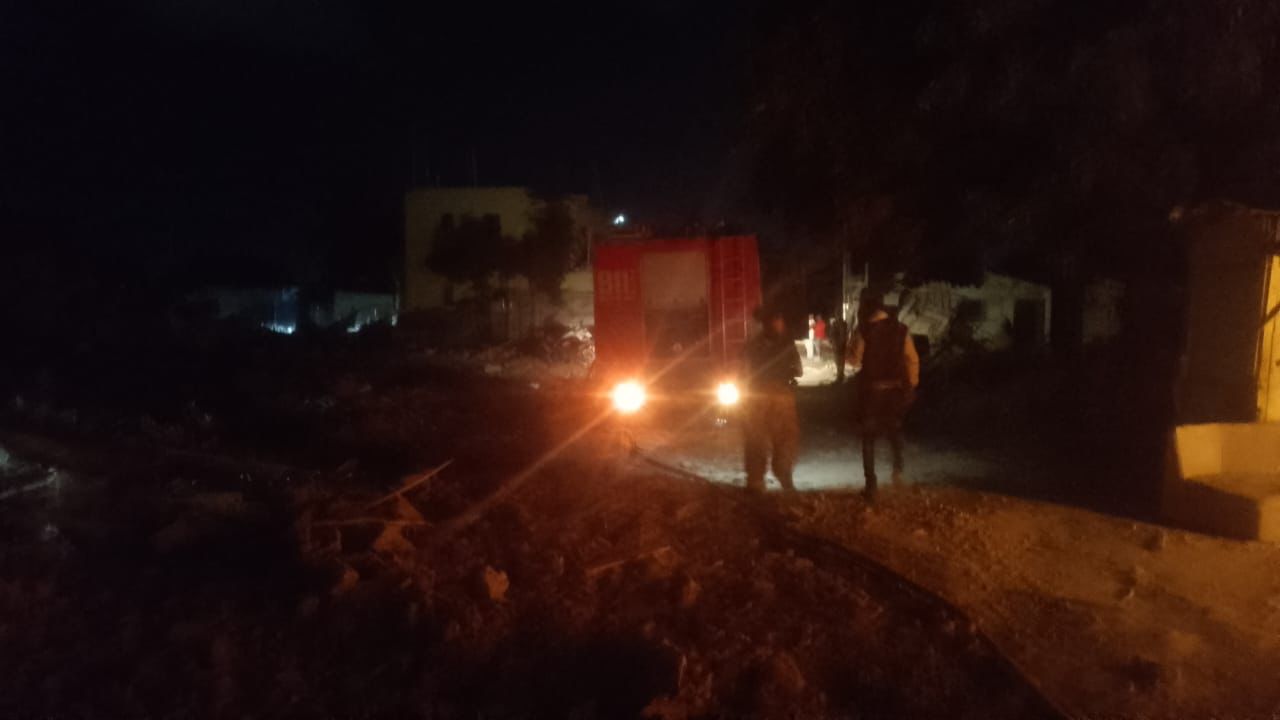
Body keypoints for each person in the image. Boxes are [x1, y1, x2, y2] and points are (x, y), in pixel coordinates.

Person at [848, 296, 919, 500]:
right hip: (895, 391)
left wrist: (849, 352)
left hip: (872, 392)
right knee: (894, 430)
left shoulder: (863, 330)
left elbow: (854, 361)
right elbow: (912, 359)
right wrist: (912, 384)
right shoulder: (902, 330)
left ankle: (871, 486)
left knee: (869, 438)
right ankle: (898, 471)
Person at [742, 306, 803, 492]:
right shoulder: (787, 344)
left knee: (755, 438)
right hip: (780, 396)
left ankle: (755, 480)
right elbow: (798, 370)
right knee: (785, 437)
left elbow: (743, 369)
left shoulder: (753, 345)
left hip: (756, 395)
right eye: (779, 320)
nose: (780, 324)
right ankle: (784, 475)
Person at [829, 315, 849, 383]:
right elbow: (845, 334)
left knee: (838, 361)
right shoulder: (844, 323)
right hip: (842, 345)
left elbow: (832, 334)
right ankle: (841, 374)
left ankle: (839, 376)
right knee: (842, 361)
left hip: (837, 345)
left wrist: (831, 341)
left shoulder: (835, 324)